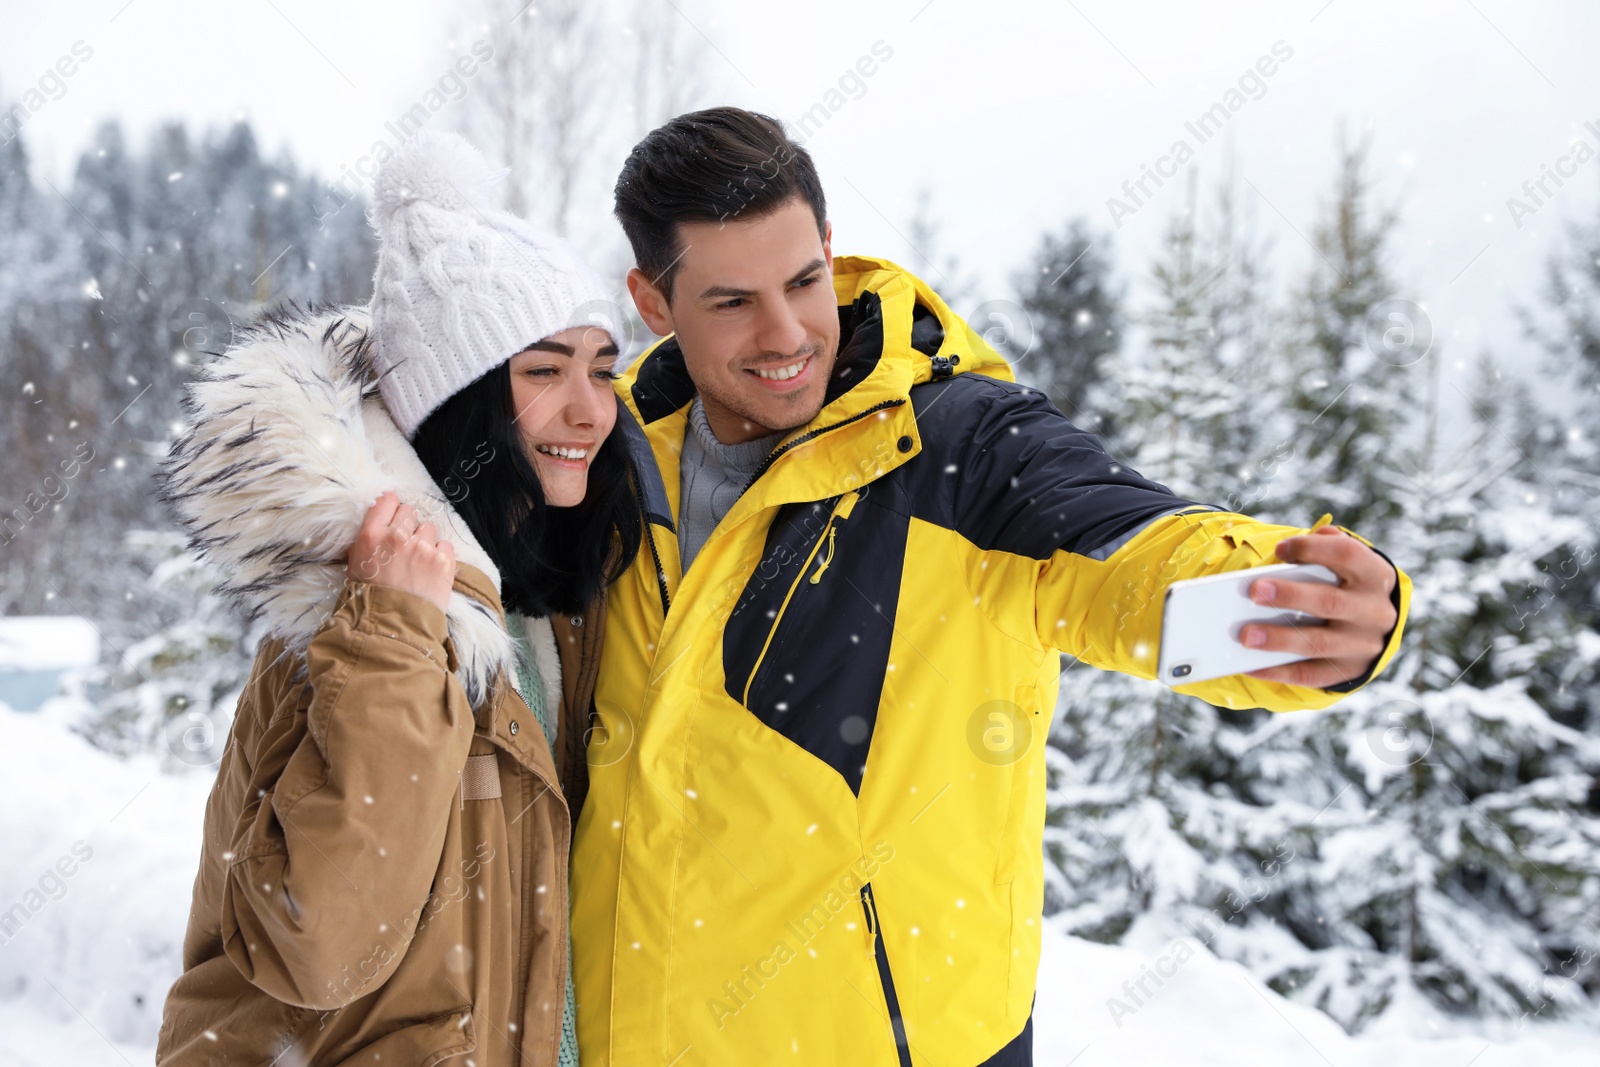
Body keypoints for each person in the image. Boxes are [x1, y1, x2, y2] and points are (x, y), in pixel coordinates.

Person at [569, 107, 1411, 1066]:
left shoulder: (959, 445)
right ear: (651, 301)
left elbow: (1127, 548)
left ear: (832, 250)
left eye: (805, 281)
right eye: (732, 302)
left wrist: (1294, 607)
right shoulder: (609, 461)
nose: (786, 332)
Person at [155, 131, 638, 1066]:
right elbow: (316, 942)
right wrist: (389, 647)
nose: (590, 408)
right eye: (544, 370)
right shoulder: (353, 617)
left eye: (602, 367)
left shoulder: (539, 607)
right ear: (457, 403)